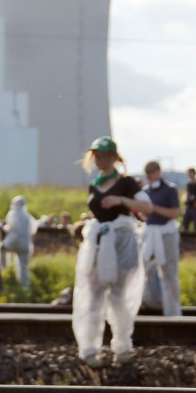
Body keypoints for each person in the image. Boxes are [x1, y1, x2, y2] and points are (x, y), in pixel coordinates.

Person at [73, 136, 152, 366]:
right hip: (99, 245)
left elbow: (147, 207)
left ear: (114, 158)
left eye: (104, 156)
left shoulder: (127, 183)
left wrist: (120, 200)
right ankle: (89, 348)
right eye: (97, 155)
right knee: (93, 296)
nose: (100, 159)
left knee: (121, 298)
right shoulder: (94, 183)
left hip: (122, 243)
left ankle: (122, 346)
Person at [139, 161, 182, 316]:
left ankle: (173, 310)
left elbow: (175, 212)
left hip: (166, 233)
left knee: (169, 272)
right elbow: (144, 214)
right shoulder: (145, 191)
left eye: (151, 173)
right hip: (150, 232)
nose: (149, 177)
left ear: (158, 172)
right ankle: (152, 303)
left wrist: (154, 208)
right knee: (145, 270)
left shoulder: (170, 189)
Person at [0, 195, 38, 288]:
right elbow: (33, 230)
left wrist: (4, 228)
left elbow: (11, 228)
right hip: (25, 245)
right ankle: (25, 287)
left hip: (13, 243)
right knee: (23, 267)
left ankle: (4, 271)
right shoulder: (28, 217)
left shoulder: (13, 214)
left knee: (1, 249)